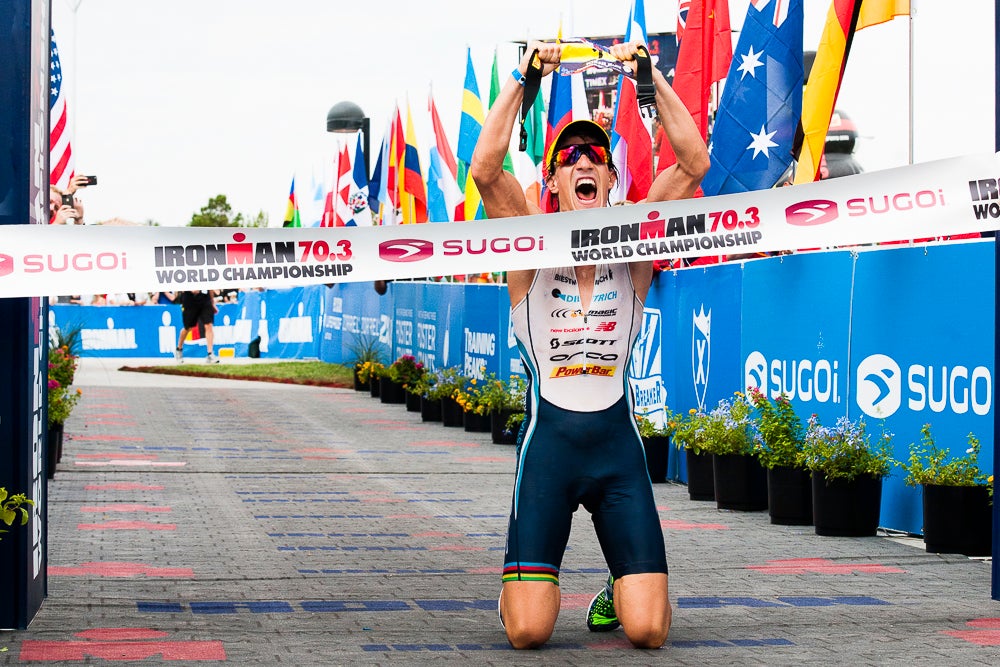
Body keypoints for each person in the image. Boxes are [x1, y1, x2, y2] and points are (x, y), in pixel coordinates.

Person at [470, 40, 709, 650]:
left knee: (649, 631)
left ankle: (616, 582)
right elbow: (485, 171)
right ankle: (515, 590)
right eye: (568, 155)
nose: (582, 161)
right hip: (549, 449)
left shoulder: (634, 252)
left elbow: (693, 164)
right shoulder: (526, 248)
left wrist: (648, 76)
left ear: (609, 179)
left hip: (616, 454)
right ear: (553, 180)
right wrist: (526, 77)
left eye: (594, 155)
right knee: (528, 634)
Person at [174, 290, 220, 364]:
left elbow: (210, 285)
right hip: (190, 299)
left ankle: (210, 354)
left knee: (209, 325)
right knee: (188, 327)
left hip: (205, 298)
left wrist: (212, 302)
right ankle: (179, 348)